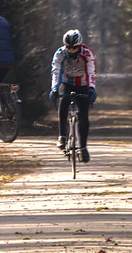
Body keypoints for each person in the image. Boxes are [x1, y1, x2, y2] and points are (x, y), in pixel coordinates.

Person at [49, 28, 96, 162]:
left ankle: (83, 148)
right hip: (67, 82)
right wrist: (54, 88)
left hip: (82, 84)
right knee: (63, 104)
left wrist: (91, 89)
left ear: (79, 45)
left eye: (74, 47)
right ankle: (62, 136)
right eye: (68, 47)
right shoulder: (60, 53)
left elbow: (91, 72)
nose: (71, 50)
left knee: (83, 116)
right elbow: (56, 71)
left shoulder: (87, 53)